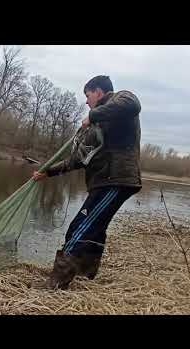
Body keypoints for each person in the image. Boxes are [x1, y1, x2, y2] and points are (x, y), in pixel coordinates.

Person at [32, 75, 142, 289]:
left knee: (79, 227)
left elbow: (133, 104)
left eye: (88, 95)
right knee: (95, 228)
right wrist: (48, 172)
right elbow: (79, 158)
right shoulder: (98, 123)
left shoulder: (121, 99)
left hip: (115, 180)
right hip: (104, 181)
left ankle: (56, 282)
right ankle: (85, 275)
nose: (86, 101)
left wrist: (92, 115)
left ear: (99, 92)